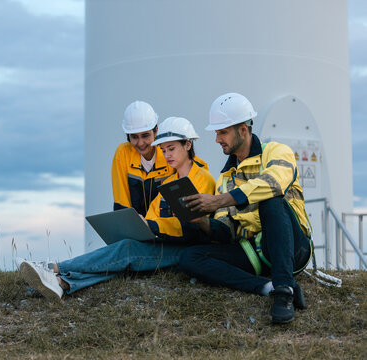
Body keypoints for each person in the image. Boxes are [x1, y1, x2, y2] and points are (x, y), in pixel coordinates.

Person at [18, 117, 216, 300]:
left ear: (188, 144)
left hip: (189, 251)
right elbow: (153, 216)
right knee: (124, 255)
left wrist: (152, 225)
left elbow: (192, 227)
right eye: (163, 150)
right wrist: (143, 225)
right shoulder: (169, 182)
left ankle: (53, 268)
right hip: (167, 244)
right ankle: (63, 283)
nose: (166, 155)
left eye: (171, 149)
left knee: (126, 250)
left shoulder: (202, 178)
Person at [178, 92, 313, 324]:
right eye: (217, 133)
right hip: (254, 252)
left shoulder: (277, 151)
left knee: (272, 199)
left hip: (293, 248)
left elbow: (274, 184)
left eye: (222, 132)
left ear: (243, 130)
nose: (217, 139)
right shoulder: (225, 177)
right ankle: (266, 287)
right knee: (190, 257)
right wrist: (202, 221)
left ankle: (284, 291)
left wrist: (220, 200)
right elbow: (227, 229)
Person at [111, 100, 173, 216]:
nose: (140, 143)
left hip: (165, 228)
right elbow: (121, 202)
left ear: (156, 131)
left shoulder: (169, 153)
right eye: (134, 137)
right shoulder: (123, 153)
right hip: (136, 227)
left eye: (145, 135)